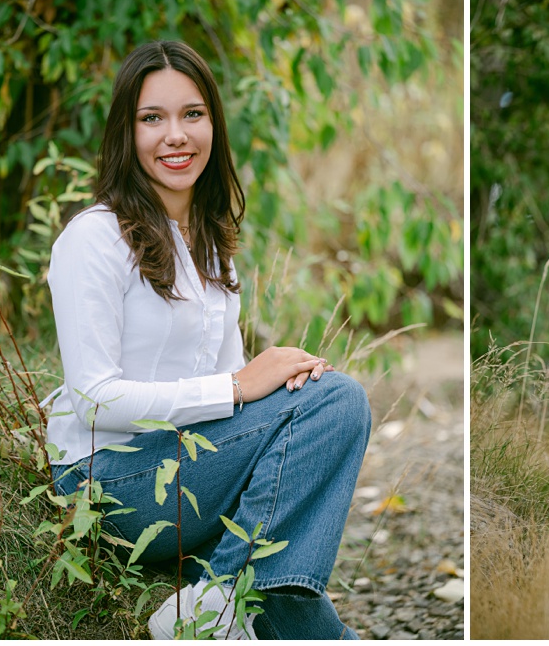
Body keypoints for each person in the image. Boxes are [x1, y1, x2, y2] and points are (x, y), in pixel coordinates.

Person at [46, 40, 372, 639]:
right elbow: (93, 400)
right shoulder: (92, 240)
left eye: (192, 114)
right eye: (153, 118)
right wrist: (240, 386)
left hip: (191, 470)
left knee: (292, 600)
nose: (176, 135)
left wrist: (273, 392)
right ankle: (215, 600)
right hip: (106, 482)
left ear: (214, 126)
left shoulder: (213, 245)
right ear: (127, 131)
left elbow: (233, 407)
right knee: (340, 401)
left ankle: (222, 597)